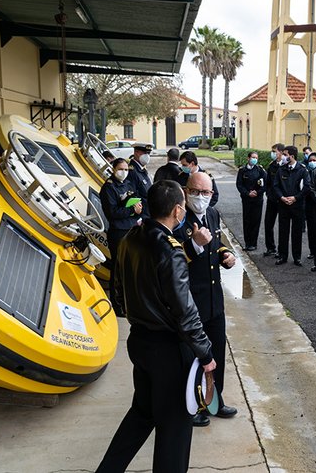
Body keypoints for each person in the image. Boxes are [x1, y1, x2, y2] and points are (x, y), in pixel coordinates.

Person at [96, 180, 216, 473]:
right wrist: (206, 354)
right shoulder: (169, 249)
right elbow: (185, 312)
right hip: (168, 351)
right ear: (177, 210)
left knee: (142, 414)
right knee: (174, 431)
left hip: (140, 342)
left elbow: (119, 294)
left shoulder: (131, 237)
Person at [177, 172, 238, 427]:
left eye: (206, 193)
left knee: (217, 352)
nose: (201, 197)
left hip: (215, 300)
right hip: (193, 302)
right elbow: (175, 259)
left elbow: (218, 243)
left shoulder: (212, 214)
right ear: (186, 191)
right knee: (195, 357)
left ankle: (215, 399)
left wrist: (227, 255)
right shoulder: (178, 219)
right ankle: (195, 404)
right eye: (196, 191)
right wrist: (195, 245)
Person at [100, 158, 143, 317]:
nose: (124, 172)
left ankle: (128, 303)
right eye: (120, 169)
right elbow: (112, 213)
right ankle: (118, 306)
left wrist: (137, 210)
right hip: (118, 232)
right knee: (118, 270)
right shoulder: (108, 188)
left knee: (130, 269)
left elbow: (136, 201)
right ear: (113, 169)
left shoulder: (129, 184)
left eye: (126, 169)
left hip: (132, 229)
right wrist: (132, 211)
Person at [274, 145, 310, 266]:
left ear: (292, 156)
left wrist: (295, 198)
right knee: (283, 232)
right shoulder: (281, 169)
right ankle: (282, 256)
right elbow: (276, 186)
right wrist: (282, 197)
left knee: (297, 232)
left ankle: (297, 257)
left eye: (285, 154)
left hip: (297, 206)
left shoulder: (302, 170)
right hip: (283, 205)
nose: (283, 157)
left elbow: (306, 187)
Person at [235, 151, 266, 251]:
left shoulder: (260, 170)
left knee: (255, 221)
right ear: (248, 158)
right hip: (247, 199)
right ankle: (247, 243)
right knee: (247, 221)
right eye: (253, 157)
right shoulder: (242, 170)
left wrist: (257, 192)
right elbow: (239, 185)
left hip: (257, 199)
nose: (254, 159)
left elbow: (265, 184)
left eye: (256, 158)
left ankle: (254, 243)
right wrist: (247, 193)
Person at [263, 143, 285, 257]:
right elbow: (268, 183)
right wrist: (268, 194)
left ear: (281, 152)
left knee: (282, 226)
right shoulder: (272, 165)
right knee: (268, 224)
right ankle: (270, 247)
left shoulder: (286, 166)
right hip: (272, 200)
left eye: (274, 151)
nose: (272, 153)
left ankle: (281, 251)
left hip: (282, 201)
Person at [127, 143, 153, 218]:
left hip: (147, 211)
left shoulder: (142, 169)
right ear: (136, 152)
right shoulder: (132, 171)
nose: (147, 156)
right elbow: (133, 196)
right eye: (145, 153)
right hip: (141, 214)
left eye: (148, 153)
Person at [304, 152, 316, 260]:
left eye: (314, 160)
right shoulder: (306, 172)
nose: (312, 162)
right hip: (309, 204)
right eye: (310, 161)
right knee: (311, 229)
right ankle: (312, 251)